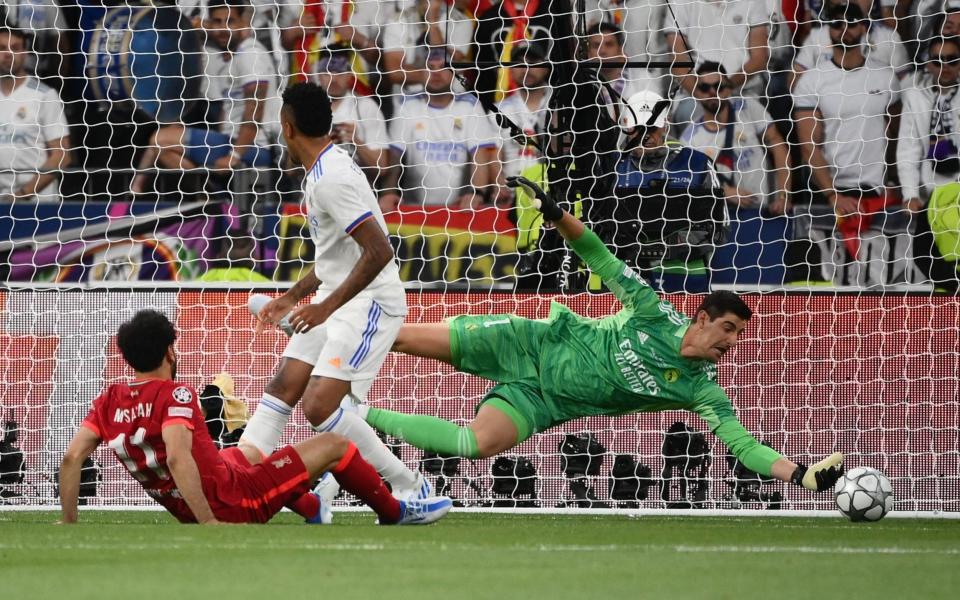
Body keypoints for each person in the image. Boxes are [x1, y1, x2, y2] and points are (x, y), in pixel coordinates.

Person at [352, 176, 845, 497]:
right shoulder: (653, 310)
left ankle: (351, 414)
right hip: (527, 342)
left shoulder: (701, 389)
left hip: (541, 400)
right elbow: (601, 258)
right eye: (729, 329)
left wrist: (801, 475)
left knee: (474, 444)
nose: (731, 343)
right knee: (397, 336)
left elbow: (744, 446)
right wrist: (557, 216)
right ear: (702, 318)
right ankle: (327, 329)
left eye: (737, 336)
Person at [58, 309, 452, 525]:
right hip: (230, 503)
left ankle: (314, 508)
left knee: (243, 452)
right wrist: (210, 522)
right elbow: (178, 457)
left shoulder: (109, 397)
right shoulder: (176, 393)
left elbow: (72, 457)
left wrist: (69, 521)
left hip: (191, 499)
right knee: (336, 446)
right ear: (170, 352)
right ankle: (396, 512)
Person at [241, 82, 432, 516]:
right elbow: (336, 257)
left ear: (287, 128)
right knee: (284, 386)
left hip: (371, 303)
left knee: (320, 405)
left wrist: (324, 307)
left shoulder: (332, 179)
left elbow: (380, 250)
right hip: (336, 297)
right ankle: (251, 477)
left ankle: (410, 484)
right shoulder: (324, 171)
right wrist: (292, 296)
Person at [793, 1, 908, 287]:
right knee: (834, 286)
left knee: (883, 287)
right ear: (828, 29)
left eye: (852, 22)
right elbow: (809, 146)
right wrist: (833, 196)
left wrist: (895, 181)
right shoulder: (812, 80)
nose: (845, 28)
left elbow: (897, 134)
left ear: (865, 27)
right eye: (837, 23)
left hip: (880, 197)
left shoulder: (886, 77)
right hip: (834, 197)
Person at [131, 0, 280, 194]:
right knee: (166, 142)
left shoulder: (250, 54)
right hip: (231, 141)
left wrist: (234, 156)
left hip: (254, 148)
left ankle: (134, 196)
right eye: (216, 22)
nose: (222, 28)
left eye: (229, 21)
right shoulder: (234, 55)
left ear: (243, 22)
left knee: (159, 140)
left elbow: (255, 112)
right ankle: (206, 197)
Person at [603, 89, 726, 293]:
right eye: (638, 128)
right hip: (625, 279)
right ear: (625, 124)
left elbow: (720, 228)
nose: (645, 135)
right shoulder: (609, 167)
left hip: (685, 280)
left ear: (666, 124)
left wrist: (664, 247)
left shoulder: (697, 164)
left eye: (652, 127)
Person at [380, 48, 501, 210]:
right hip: (414, 207)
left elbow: (480, 154)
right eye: (431, 67)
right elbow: (394, 155)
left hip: (460, 207)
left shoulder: (470, 105)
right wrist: (388, 193)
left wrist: (476, 192)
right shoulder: (407, 105)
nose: (436, 73)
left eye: (443, 67)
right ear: (421, 72)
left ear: (455, 73)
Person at [680, 62, 791, 214]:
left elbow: (778, 145)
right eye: (705, 88)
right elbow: (688, 186)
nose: (712, 92)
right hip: (725, 219)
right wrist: (722, 192)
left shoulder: (748, 108)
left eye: (719, 86)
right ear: (696, 93)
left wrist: (784, 196)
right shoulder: (689, 139)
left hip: (768, 211)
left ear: (728, 89)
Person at [897, 35, 960, 291]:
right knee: (924, 255)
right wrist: (910, 193)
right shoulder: (915, 96)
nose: (945, 66)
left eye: (952, 60)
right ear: (928, 64)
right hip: (933, 194)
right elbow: (908, 147)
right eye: (938, 61)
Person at [0, 25, 70, 203]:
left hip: (37, 205)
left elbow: (61, 156)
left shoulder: (44, 95)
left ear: (24, 52)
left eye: (15, 48)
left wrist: (22, 195)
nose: (8, 54)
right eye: (1, 48)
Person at [314, 44, 390, 180]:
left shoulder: (366, 107)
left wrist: (355, 141)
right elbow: (290, 171)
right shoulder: (305, 109)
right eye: (327, 71)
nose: (334, 79)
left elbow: (381, 168)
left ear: (350, 74)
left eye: (340, 71)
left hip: (356, 194)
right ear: (319, 75)